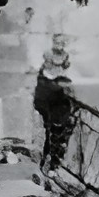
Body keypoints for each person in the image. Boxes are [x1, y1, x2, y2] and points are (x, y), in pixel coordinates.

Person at [32, 34, 77, 177]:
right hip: (47, 107)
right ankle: (49, 162)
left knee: (59, 132)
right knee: (50, 133)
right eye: (58, 43)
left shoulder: (63, 76)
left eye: (63, 43)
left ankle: (54, 163)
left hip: (57, 110)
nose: (60, 46)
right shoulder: (45, 77)